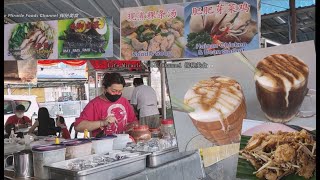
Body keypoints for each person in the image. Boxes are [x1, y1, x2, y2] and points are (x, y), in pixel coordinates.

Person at [74, 73, 138, 137]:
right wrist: (102, 123)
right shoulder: (94, 104)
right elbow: (78, 126)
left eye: (120, 91)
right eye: (114, 91)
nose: (117, 94)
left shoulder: (124, 101)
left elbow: (133, 121)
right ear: (105, 88)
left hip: (123, 143)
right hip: (102, 144)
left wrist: (133, 126)